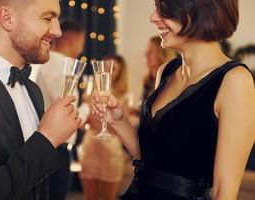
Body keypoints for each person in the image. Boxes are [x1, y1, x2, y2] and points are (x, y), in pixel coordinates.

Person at [91, 0, 255, 199]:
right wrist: (118, 120)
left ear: (198, 11)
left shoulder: (235, 81)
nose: (153, 17)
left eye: (164, 10)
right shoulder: (167, 71)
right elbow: (149, 159)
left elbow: (224, 192)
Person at [0, 0, 82, 199]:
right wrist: (47, 138)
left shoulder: (33, 90)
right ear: (7, 18)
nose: (57, 31)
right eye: (47, 18)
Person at [35, 19, 89, 200]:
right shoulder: (62, 69)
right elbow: (69, 116)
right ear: (73, 41)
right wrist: (88, 104)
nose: (81, 49)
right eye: (81, 43)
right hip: (57, 149)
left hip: (48, 146)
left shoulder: (47, 64)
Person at [79, 55, 129, 200]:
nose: (108, 71)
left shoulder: (124, 96)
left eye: (113, 68)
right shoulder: (89, 94)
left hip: (111, 151)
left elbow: (119, 129)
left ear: (120, 72)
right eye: (105, 67)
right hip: (91, 147)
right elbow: (86, 123)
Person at [141, 36, 175, 103]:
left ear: (162, 53)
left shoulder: (172, 79)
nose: (146, 55)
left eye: (150, 51)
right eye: (147, 51)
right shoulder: (148, 80)